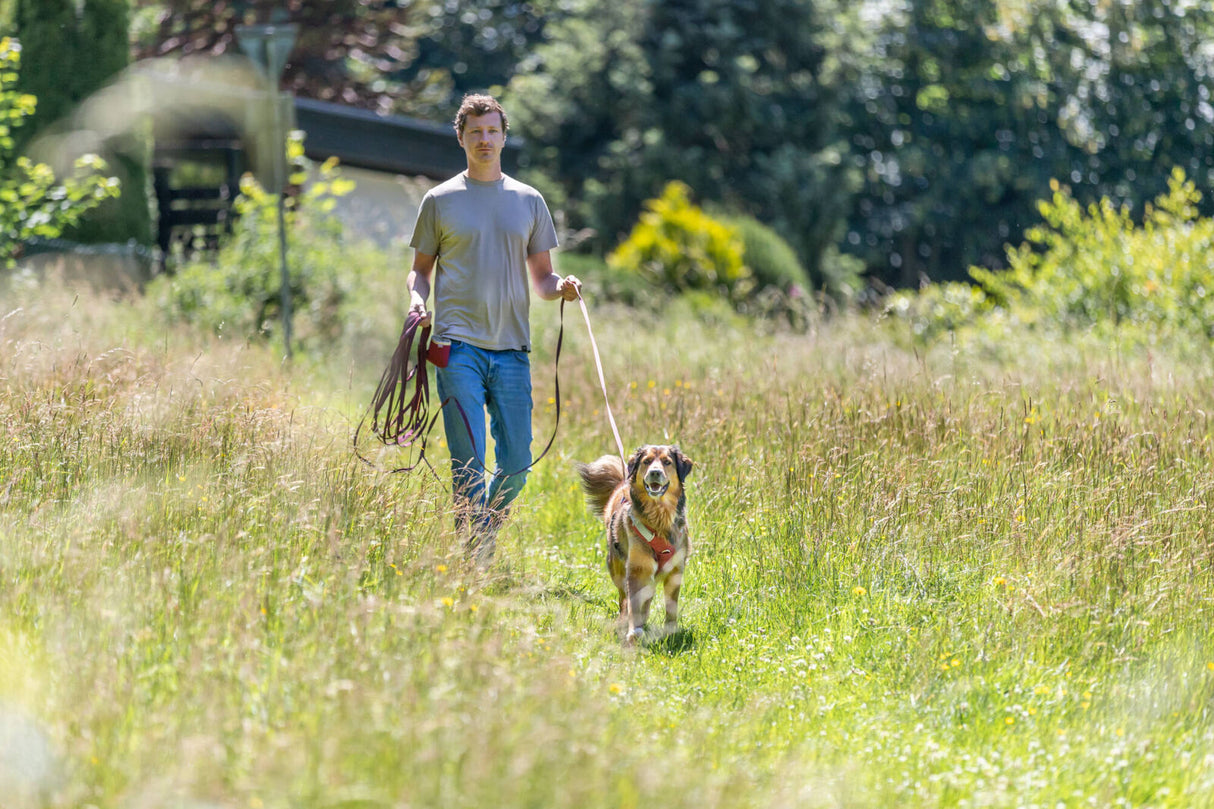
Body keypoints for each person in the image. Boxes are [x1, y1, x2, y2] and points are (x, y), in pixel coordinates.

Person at [406, 93, 581, 566]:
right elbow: (420, 270)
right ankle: (474, 563)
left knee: (517, 466)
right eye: (475, 132)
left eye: (492, 131)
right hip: (456, 346)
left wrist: (562, 288)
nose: (484, 139)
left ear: (504, 137)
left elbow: (543, 279)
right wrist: (418, 301)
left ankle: (481, 528)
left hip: (512, 350)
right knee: (468, 465)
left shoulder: (529, 200)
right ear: (460, 138)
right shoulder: (439, 200)